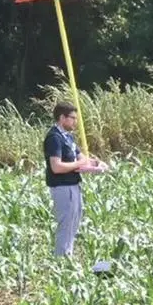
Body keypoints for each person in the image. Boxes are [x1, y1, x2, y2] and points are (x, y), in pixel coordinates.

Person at [44, 102, 96, 257]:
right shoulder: (54, 138)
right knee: (66, 225)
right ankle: (61, 261)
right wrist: (80, 163)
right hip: (62, 187)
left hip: (74, 185)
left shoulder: (68, 137)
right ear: (62, 118)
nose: (75, 122)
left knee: (74, 224)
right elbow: (56, 167)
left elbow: (82, 158)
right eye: (72, 118)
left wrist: (96, 163)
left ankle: (68, 257)